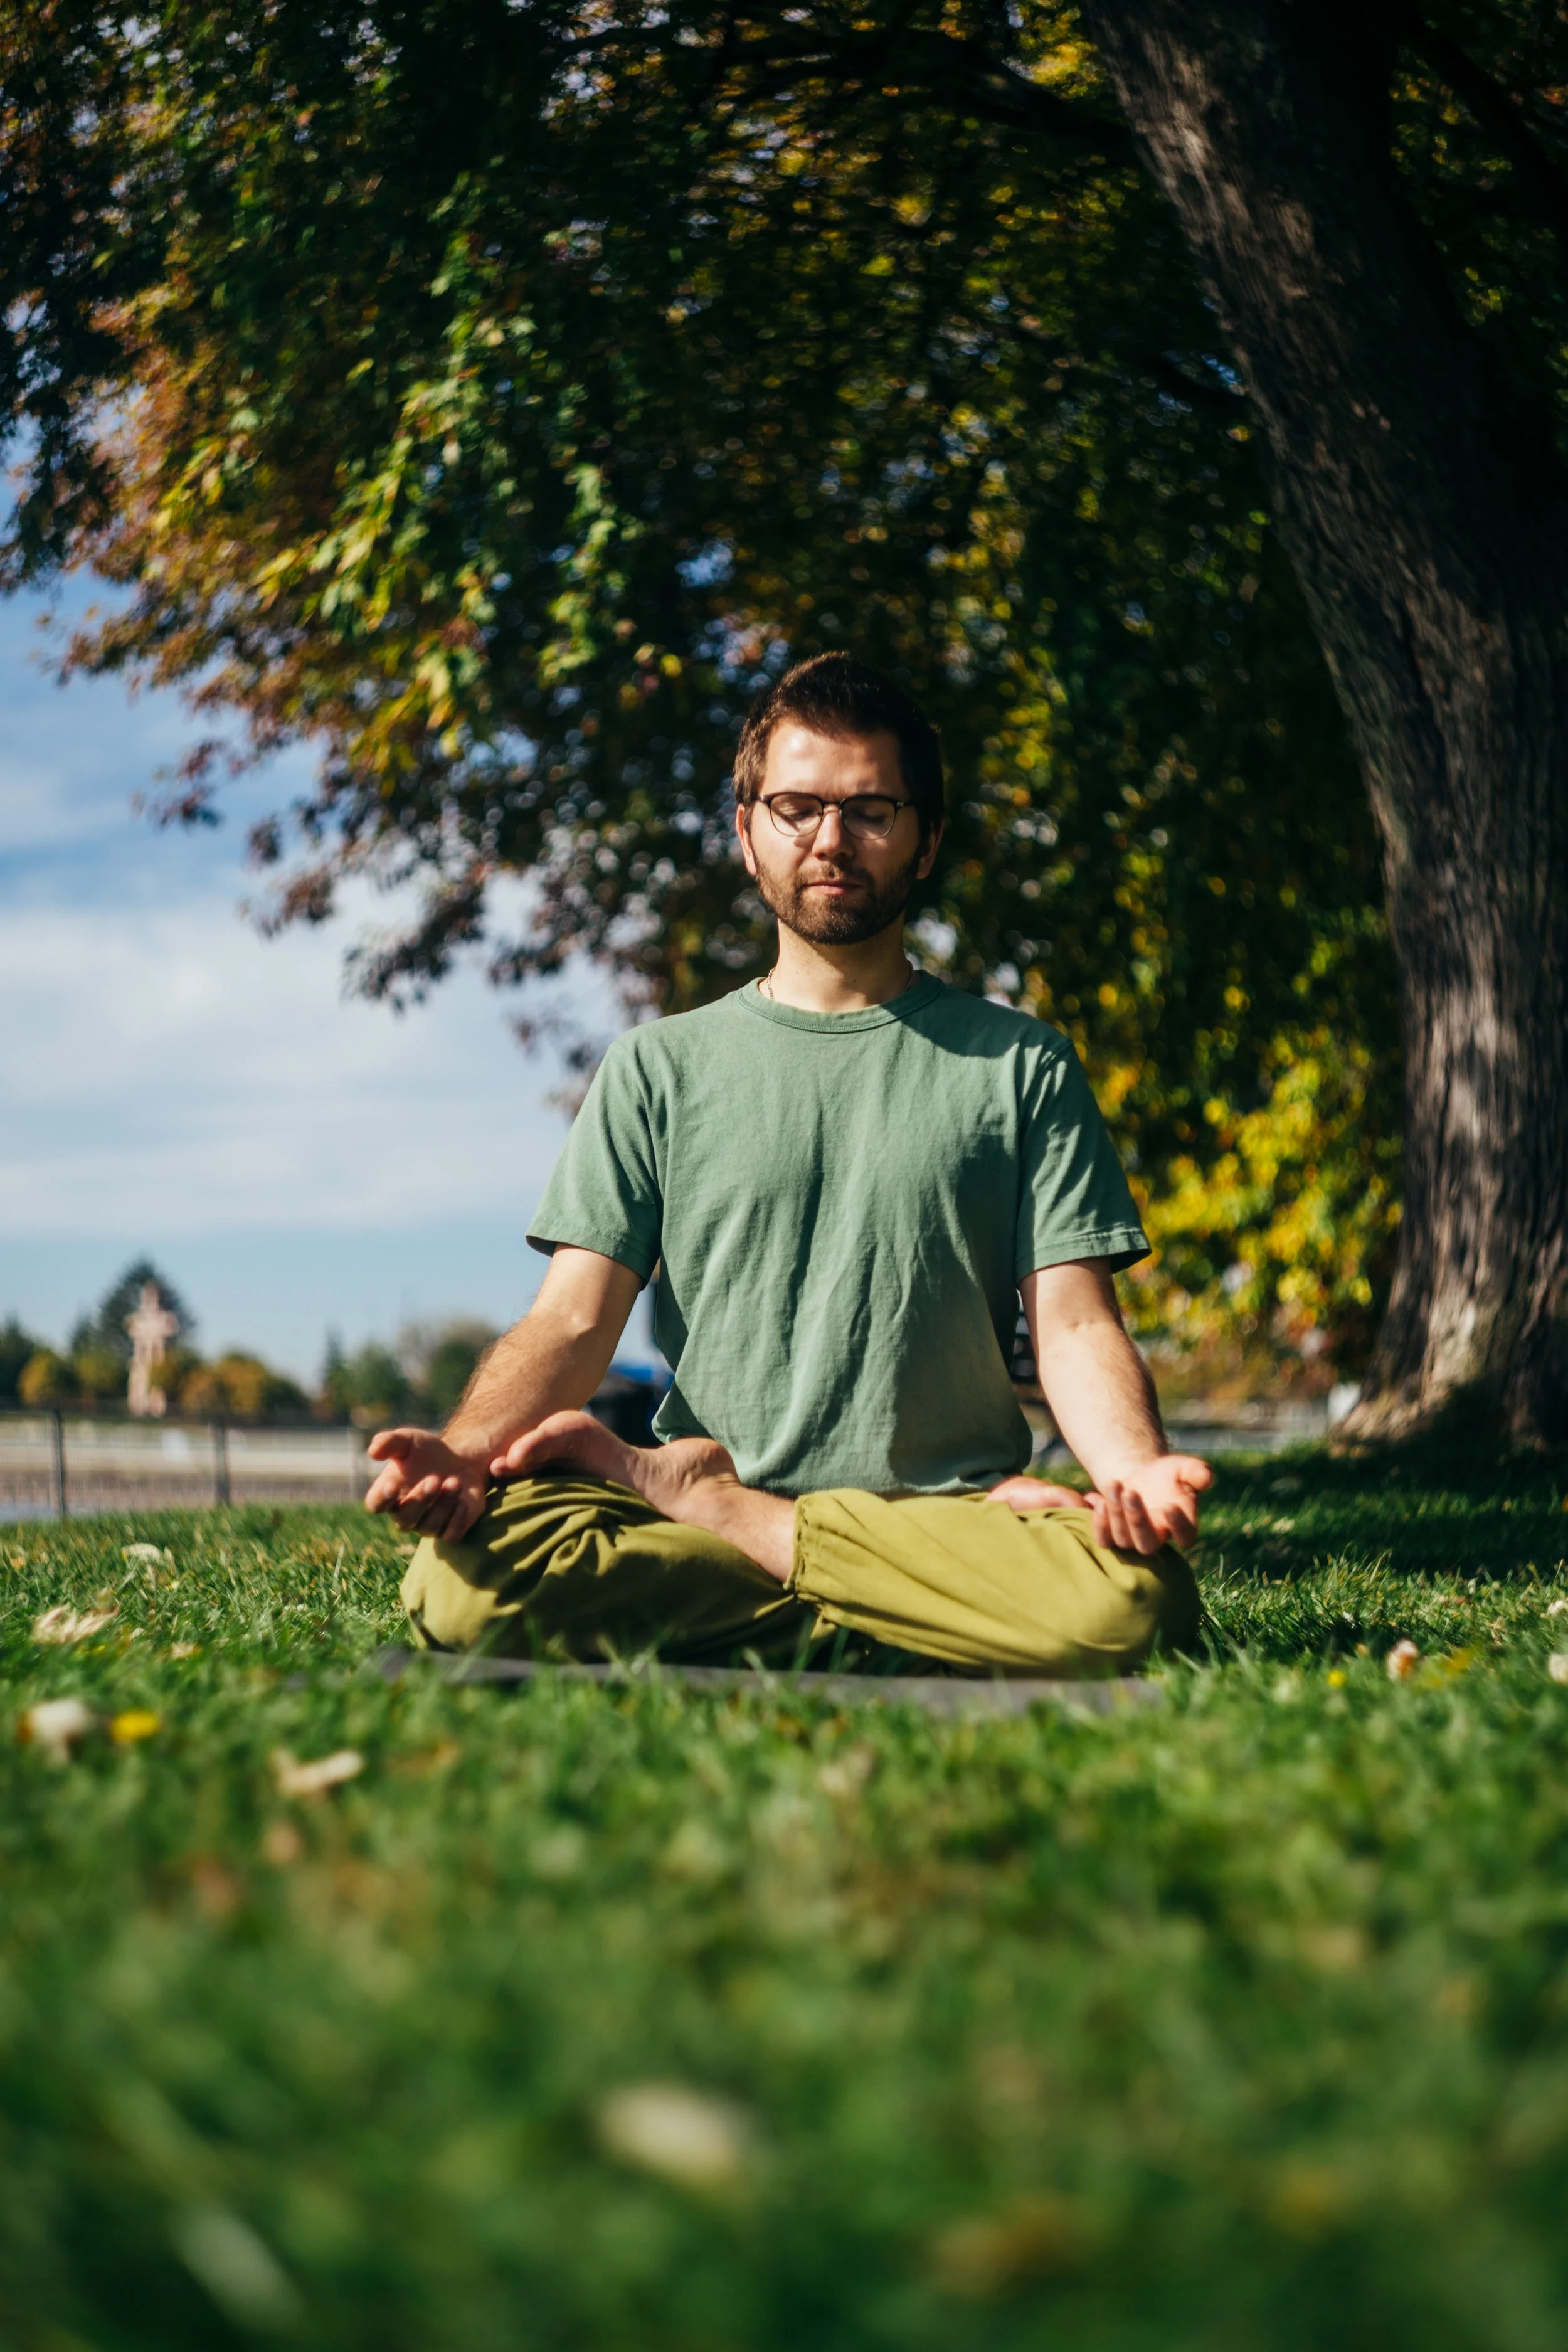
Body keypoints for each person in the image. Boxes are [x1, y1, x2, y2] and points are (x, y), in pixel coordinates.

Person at [367, 655, 1210, 1675]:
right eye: (798, 806)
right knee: (456, 1582)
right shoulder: (656, 1068)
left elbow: (1075, 1322)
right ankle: (910, 1612)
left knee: (1131, 1599)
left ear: (927, 837)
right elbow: (571, 1320)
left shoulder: (1022, 1064)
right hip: (874, 1552)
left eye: (871, 810)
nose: (830, 839)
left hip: (932, 1513)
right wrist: (464, 1451)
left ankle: (744, 1529)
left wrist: (1132, 1472)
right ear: (747, 830)